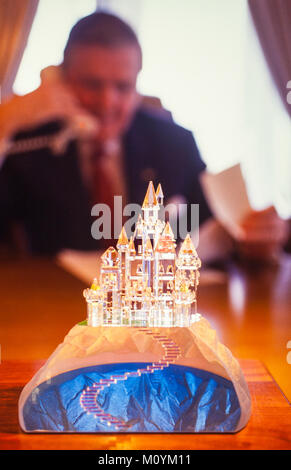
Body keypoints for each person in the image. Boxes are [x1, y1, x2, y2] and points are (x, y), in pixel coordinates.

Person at [0, 11, 288, 261]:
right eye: (91, 84)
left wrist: (257, 238)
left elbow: (219, 229)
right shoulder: (28, 147)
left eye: (122, 87)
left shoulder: (174, 143)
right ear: (61, 79)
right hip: (54, 307)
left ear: (137, 83)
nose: (107, 103)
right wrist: (6, 121)